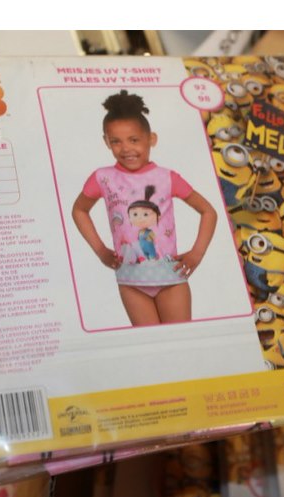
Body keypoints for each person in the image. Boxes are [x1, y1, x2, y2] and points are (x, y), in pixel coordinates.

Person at [72, 90, 217, 326]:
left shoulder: (167, 177)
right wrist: (100, 250)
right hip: (131, 282)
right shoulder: (102, 178)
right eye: (116, 141)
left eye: (134, 140)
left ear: (151, 139)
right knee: (152, 344)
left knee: (180, 341)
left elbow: (208, 211)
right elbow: (79, 210)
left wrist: (197, 253)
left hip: (170, 279)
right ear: (106, 142)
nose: (125, 148)